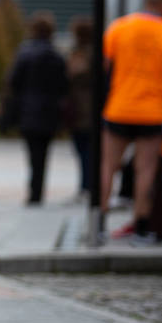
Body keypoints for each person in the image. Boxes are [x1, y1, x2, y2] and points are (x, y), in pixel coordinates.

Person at [101, 0, 162, 243]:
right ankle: (141, 226)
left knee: (108, 166)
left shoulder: (119, 28)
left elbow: (104, 67)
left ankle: (99, 220)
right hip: (152, 112)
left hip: (119, 108)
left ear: (146, 0)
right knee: (146, 171)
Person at [3, 11, 68, 205]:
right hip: (49, 111)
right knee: (44, 153)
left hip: (28, 110)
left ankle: (34, 191)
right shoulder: (57, 56)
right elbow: (64, 85)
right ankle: (38, 191)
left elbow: (13, 81)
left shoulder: (25, 54)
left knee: (33, 153)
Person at [63, 15, 94, 201]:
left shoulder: (83, 54)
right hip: (85, 109)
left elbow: (74, 73)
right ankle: (86, 186)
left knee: (84, 151)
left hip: (82, 109)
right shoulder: (95, 52)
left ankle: (86, 187)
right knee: (85, 151)